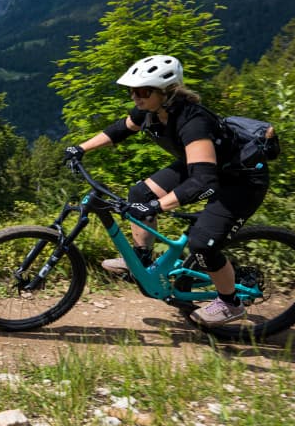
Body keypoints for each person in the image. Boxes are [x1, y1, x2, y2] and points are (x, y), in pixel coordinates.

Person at [62, 55, 270, 326]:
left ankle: (230, 303)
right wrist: (81, 148)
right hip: (203, 167)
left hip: (240, 180)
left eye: (142, 92)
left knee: (202, 244)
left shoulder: (193, 122)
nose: (135, 97)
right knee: (140, 194)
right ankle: (141, 260)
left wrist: (156, 206)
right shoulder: (151, 111)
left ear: (167, 91)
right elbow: (120, 130)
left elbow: (203, 183)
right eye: (132, 91)